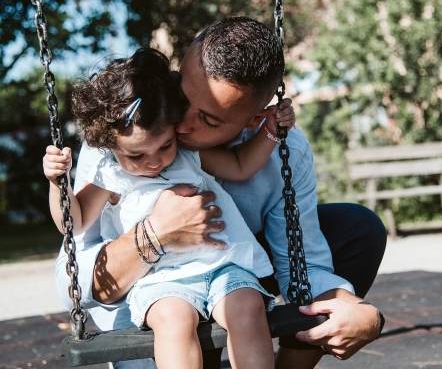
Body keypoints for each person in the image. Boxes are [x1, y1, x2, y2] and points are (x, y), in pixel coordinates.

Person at [55, 17, 387, 369]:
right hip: (154, 293)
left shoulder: (282, 149)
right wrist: (155, 235)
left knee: (356, 228)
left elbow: (301, 264)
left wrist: (360, 311)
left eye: (209, 120)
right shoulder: (128, 136)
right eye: (181, 98)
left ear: (255, 119)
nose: (180, 126)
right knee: (175, 327)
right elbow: (72, 282)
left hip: (229, 271)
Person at [45, 48, 296, 368]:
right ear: (110, 146)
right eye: (137, 155)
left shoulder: (187, 154)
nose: (153, 160)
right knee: (172, 320)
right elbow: (74, 223)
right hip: (161, 279)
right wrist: (58, 183)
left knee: (247, 307)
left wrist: (271, 131)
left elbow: (241, 165)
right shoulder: (110, 176)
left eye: (164, 145)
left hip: (222, 263)